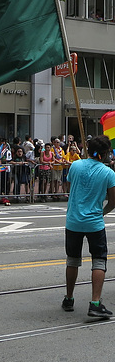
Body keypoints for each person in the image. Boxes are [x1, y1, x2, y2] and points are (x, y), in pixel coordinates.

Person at [62, 135, 115, 318]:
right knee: (99, 260)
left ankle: (69, 298)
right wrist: (102, 212)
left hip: (73, 221)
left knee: (72, 260)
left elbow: (71, 183)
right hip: (94, 222)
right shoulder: (108, 173)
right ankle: (95, 303)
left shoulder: (76, 165)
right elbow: (113, 201)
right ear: (104, 153)